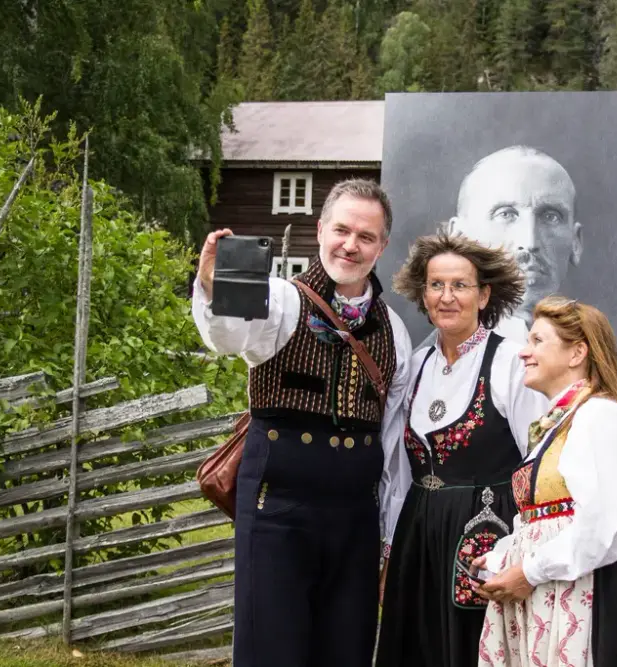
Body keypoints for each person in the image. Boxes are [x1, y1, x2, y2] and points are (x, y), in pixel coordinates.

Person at [191, 179, 413, 667]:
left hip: (355, 519)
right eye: (342, 230)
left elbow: (393, 443)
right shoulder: (279, 299)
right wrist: (215, 283)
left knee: (346, 649)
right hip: (277, 511)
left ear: (383, 245)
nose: (351, 245)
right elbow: (228, 337)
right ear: (320, 230)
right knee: (272, 647)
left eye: (366, 236)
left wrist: (388, 533)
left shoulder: (395, 331)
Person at [470, 296, 617, 667]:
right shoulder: (558, 422)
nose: (523, 353)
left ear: (577, 353)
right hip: (554, 592)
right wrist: (503, 557)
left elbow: (610, 527)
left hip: (594, 596)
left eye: (537, 341)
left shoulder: (598, 416)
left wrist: (529, 571)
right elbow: (545, 519)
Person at [375, 231, 549, 667]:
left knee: (475, 649)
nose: (446, 297)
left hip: (485, 531)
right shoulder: (414, 366)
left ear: (484, 295)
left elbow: (540, 462)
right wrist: (389, 549)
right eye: (436, 285)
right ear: (423, 294)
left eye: (460, 285)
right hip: (419, 531)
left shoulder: (510, 362)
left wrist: (527, 558)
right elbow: (399, 471)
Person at [448, 146, 584, 330]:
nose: (530, 242)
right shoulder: (431, 359)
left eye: (551, 216)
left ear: (576, 243)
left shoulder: (598, 355)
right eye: (505, 215)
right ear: (459, 240)